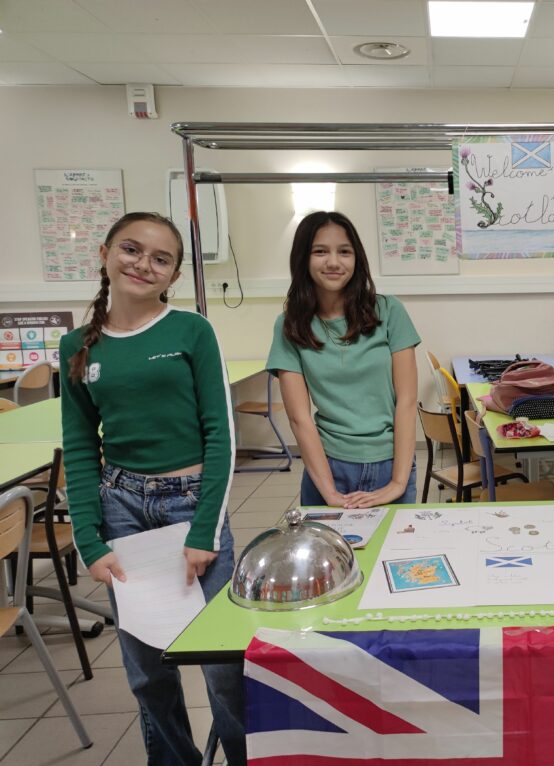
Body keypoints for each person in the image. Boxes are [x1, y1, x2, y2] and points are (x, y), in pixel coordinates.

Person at [59, 212, 246, 765]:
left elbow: (221, 435)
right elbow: (79, 447)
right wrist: (89, 540)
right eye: (131, 249)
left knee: (223, 667)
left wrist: (205, 530)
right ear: (105, 254)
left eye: (160, 259)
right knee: (147, 671)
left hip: (192, 504)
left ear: (174, 275)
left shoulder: (192, 330)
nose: (143, 264)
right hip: (121, 511)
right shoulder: (77, 346)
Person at [268, 210, 419, 508]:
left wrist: (398, 483)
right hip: (328, 466)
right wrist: (329, 492)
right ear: (303, 258)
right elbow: (299, 418)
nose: (334, 262)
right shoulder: (290, 325)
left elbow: (407, 401)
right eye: (320, 251)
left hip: (391, 463)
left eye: (344, 252)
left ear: (357, 258)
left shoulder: (389, 311)